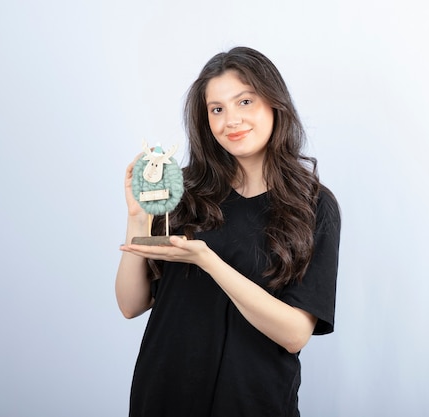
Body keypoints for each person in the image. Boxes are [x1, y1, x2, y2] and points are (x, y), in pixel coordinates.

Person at [115, 46, 341, 417]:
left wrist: (208, 260)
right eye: (217, 109)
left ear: (274, 104)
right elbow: (130, 304)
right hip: (162, 396)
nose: (230, 120)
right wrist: (138, 218)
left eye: (245, 101)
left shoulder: (313, 205)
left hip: (253, 402)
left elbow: (295, 334)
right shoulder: (184, 193)